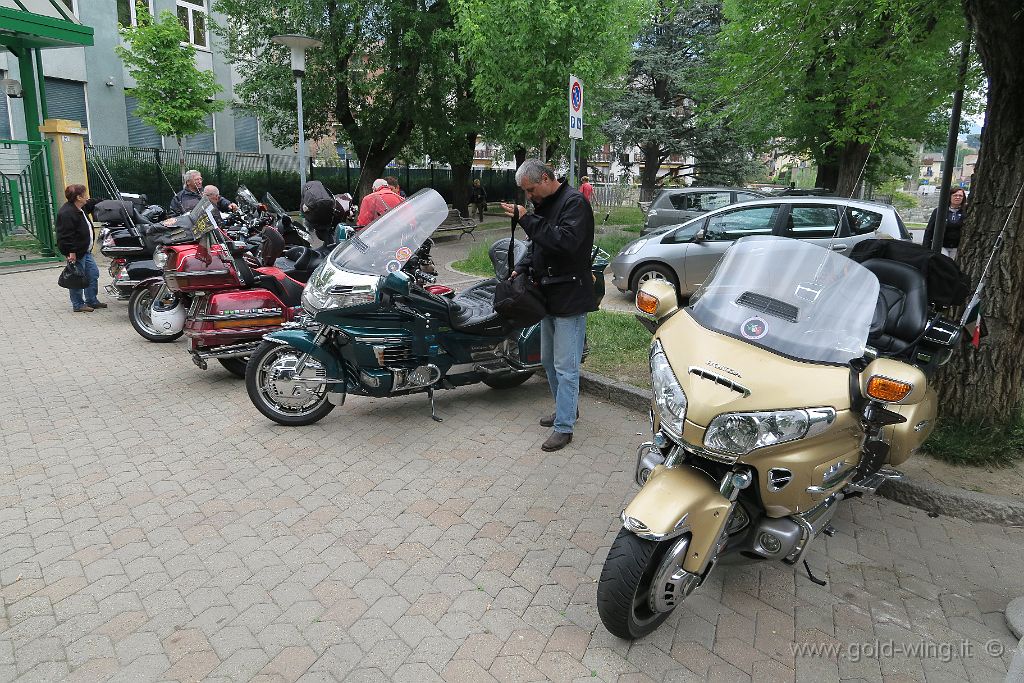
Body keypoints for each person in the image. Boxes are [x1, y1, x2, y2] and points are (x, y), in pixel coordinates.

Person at [501, 160, 595, 452]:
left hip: (571, 295)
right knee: (547, 361)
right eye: (526, 193)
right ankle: (566, 409)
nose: (529, 197)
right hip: (548, 296)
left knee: (566, 367)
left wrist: (527, 218)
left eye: (530, 190)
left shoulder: (574, 203)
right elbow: (538, 246)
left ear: (544, 178)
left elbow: (564, 244)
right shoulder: (546, 204)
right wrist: (521, 267)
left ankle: (564, 427)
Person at [55, 184, 105, 313]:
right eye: (85, 194)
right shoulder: (67, 213)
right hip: (76, 253)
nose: (87, 196)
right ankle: (78, 304)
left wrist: (103, 200)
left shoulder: (80, 208)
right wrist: (71, 252)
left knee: (93, 274)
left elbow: (91, 203)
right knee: (76, 278)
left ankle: (91, 300)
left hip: (85, 251)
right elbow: (65, 236)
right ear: (78, 197)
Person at [922, 187, 967, 259]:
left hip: (957, 247)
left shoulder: (966, 212)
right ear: (950, 197)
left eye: (960, 196)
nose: (957, 197)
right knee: (944, 263)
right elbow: (929, 230)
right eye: (955, 195)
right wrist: (925, 247)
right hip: (941, 246)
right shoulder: (939, 211)